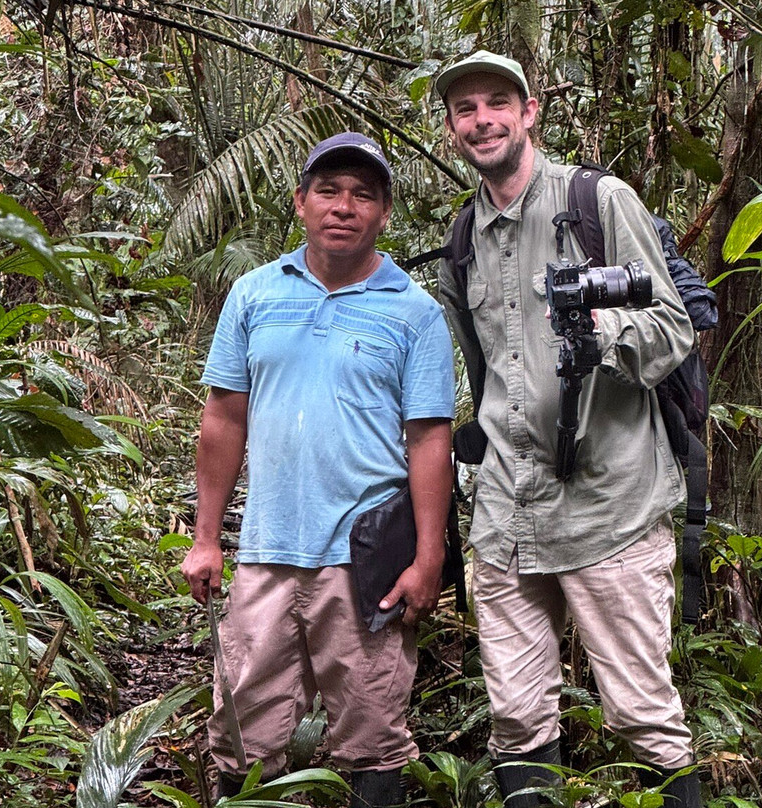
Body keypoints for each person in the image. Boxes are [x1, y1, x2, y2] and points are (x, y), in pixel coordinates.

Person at [432, 51, 702, 807]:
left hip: (608, 506)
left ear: (529, 111)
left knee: (643, 717)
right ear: (453, 128)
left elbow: (673, 325)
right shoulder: (462, 240)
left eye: (496, 103)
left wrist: (601, 333)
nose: (481, 120)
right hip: (507, 514)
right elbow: (487, 370)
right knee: (516, 719)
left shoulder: (598, 200)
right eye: (464, 110)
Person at [181, 132, 455, 807]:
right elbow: (224, 418)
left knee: (373, 729)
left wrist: (429, 556)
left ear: (384, 213)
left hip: (366, 562)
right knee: (243, 730)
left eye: (363, 195)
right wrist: (207, 536)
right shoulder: (253, 296)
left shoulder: (415, 313)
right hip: (267, 551)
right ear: (300, 202)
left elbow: (428, 439)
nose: (344, 207)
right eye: (328, 191)